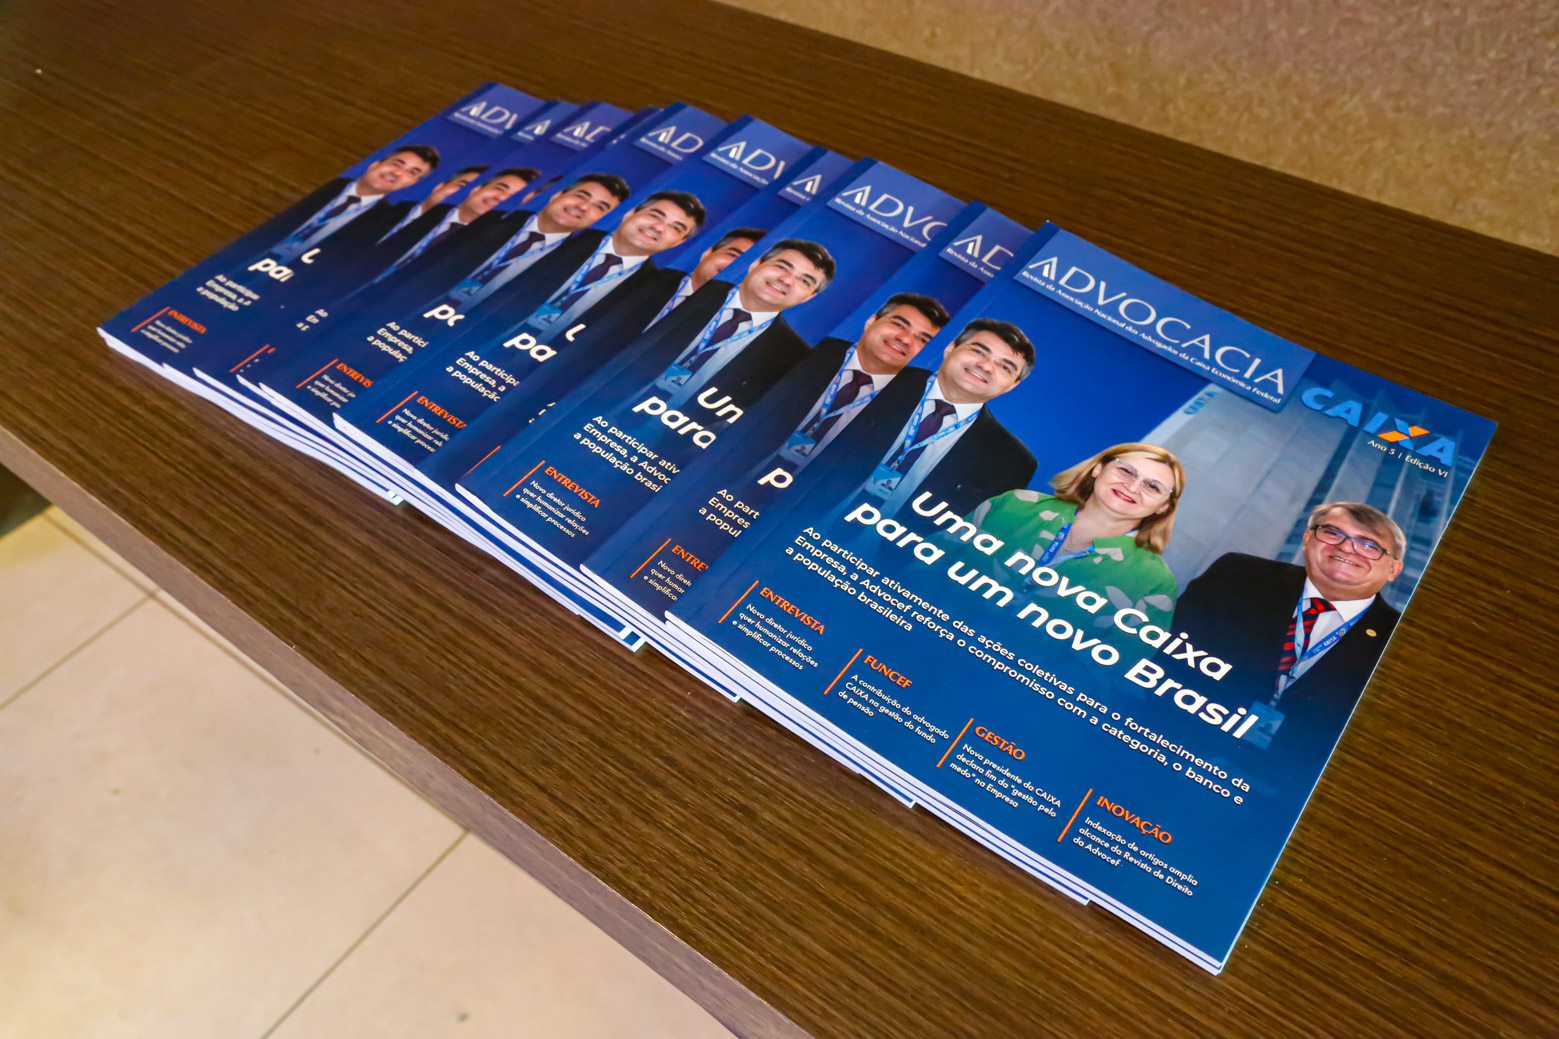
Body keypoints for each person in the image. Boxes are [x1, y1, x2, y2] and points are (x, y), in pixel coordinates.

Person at [1164, 501, 1404, 758]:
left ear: (1393, 569)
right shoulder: (1238, 574)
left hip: (1288, 774)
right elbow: (1169, 652)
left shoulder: (1399, 642)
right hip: (1173, 737)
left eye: (1369, 545)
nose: (1346, 547)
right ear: (1307, 540)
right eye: (1333, 533)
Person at [964, 443, 1185, 629]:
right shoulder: (1015, 504)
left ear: (1163, 506)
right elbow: (942, 558)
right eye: (1126, 471)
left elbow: (1117, 662)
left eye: (1153, 486)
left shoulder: (1156, 583)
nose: (1133, 487)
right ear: (1098, 468)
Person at [261, 144, 442, 263]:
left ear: (411, 183)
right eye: (397, 163)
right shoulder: (322, 182)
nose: (397, 173)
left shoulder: (385, 222)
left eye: (411, 172)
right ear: (375, 165)